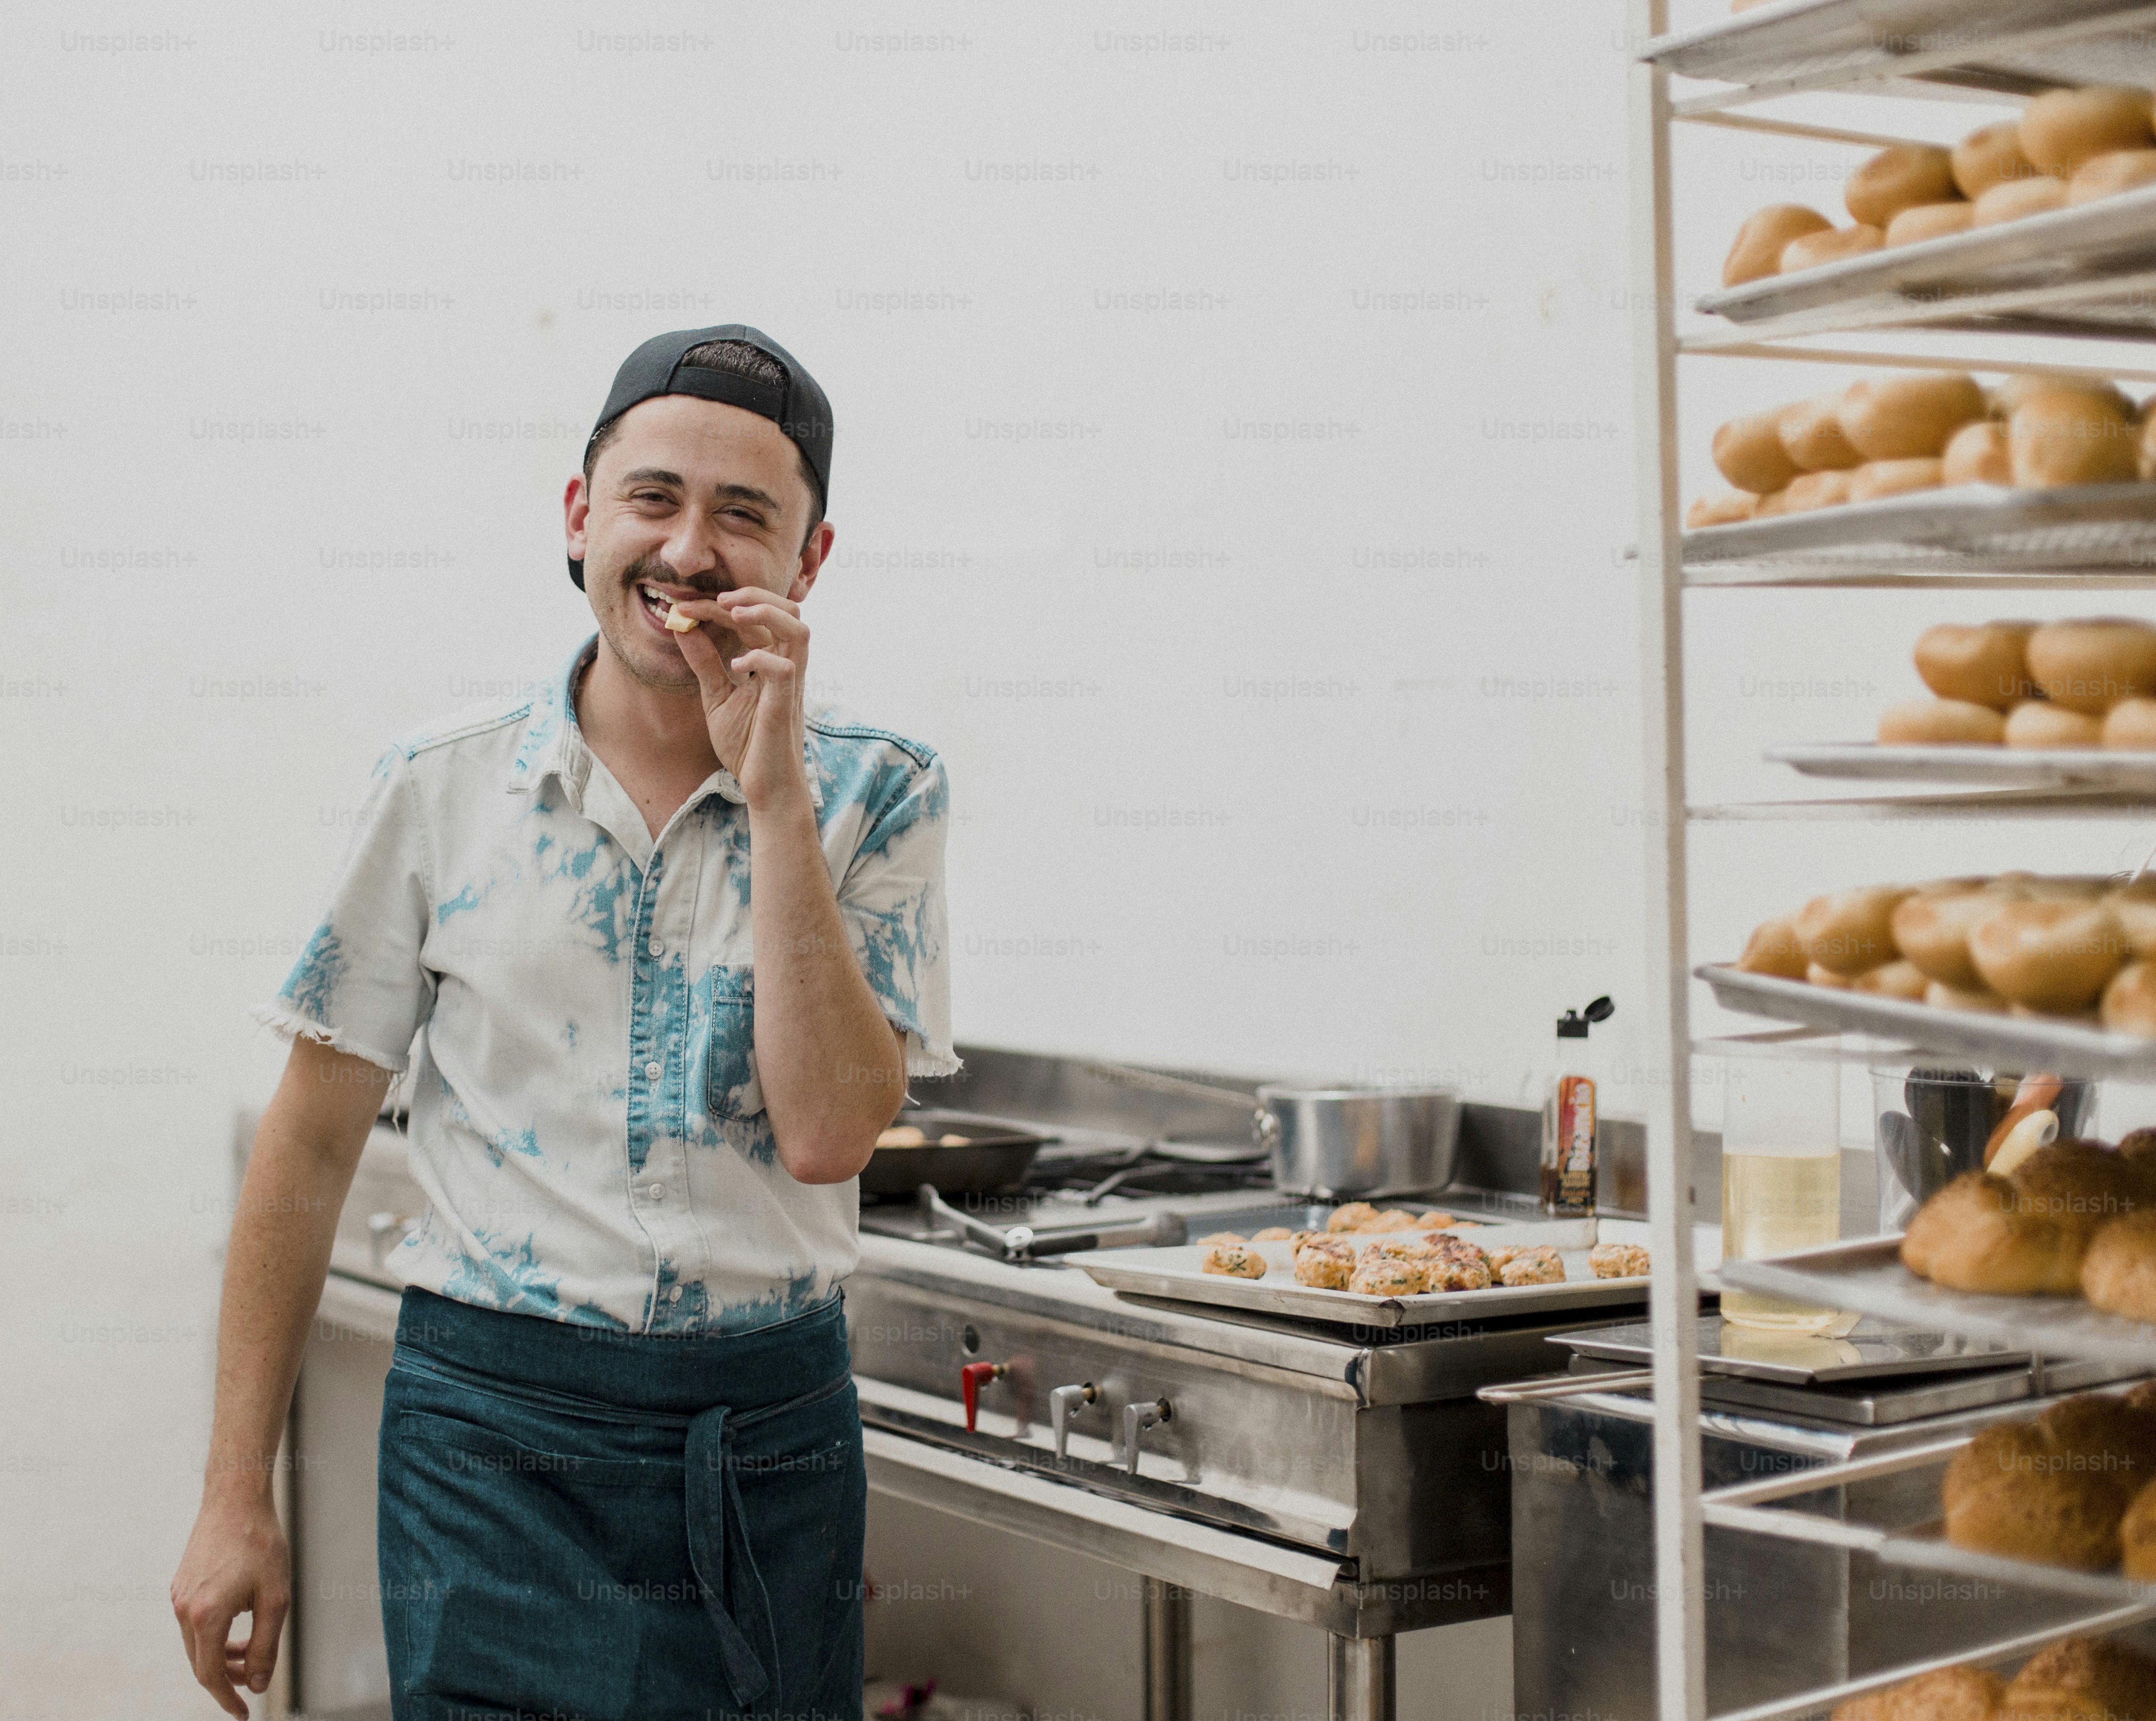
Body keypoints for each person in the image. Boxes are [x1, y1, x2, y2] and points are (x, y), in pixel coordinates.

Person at [170, 325, 957, 1721]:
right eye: (653, 499)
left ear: (809, 563)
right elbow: (304, 1150)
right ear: (583, 515)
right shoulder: (440, 789)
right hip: (493, 1448)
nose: (690, 551)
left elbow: (835, 1131)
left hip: (762, 1447)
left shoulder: (872, 794)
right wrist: (236, 1500)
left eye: (745, 516)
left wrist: (772, 796)